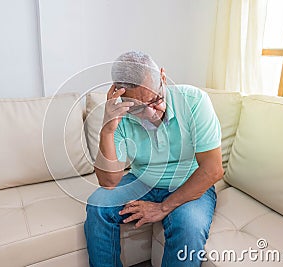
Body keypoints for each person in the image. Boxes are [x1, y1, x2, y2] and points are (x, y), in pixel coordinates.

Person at [84, 51, 224, 267]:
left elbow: (213, 169)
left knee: (188, 227)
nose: (151, 113)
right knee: (98, 206)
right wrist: (108, 130)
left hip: (190, 182)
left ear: (163, 77)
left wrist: (162, 208)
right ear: (121, 97)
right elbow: (109, 183)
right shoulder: (119, 115)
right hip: (142, 181)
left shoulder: (194, 101)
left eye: (156, 100)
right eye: (138, 108)